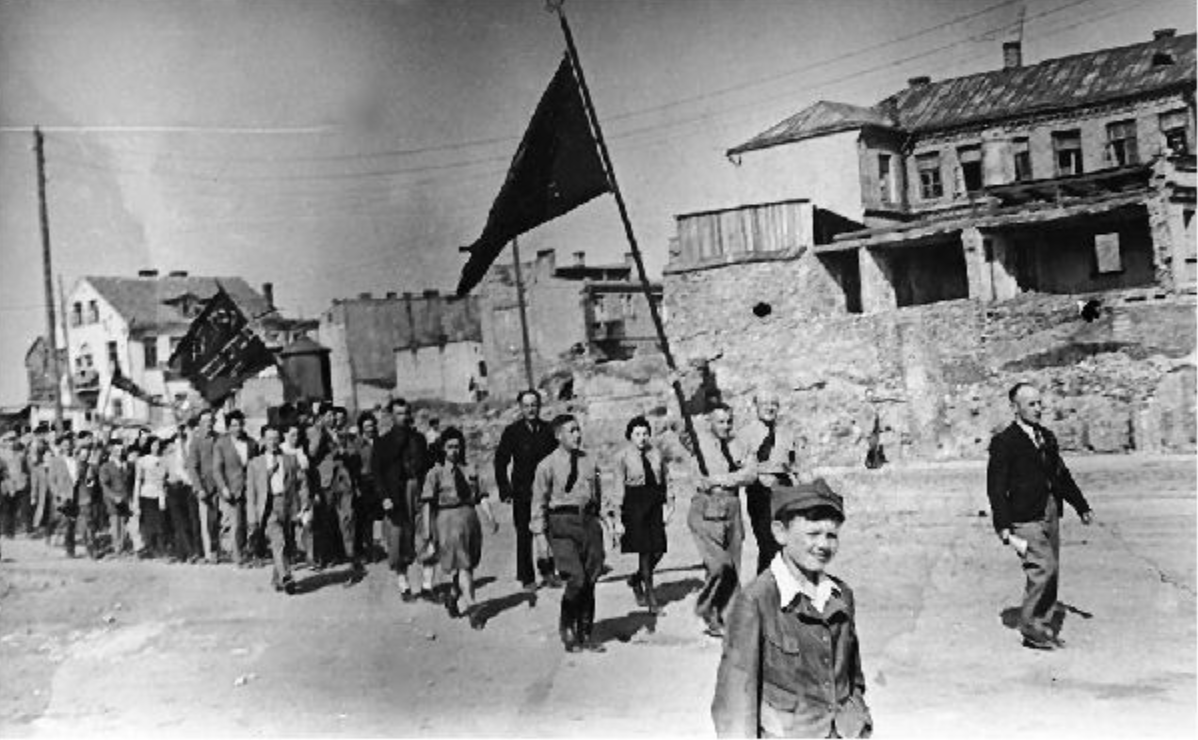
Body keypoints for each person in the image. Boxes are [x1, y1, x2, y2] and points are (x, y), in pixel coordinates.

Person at [711, 480, 873, 738]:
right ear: (780, 533)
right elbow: (734, 704)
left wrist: (858, 717)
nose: (823, 545)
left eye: (831, 535)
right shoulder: (755, 601)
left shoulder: (841, 595)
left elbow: (853, 676)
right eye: (813, 533)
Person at [987, 382, 1094, 650]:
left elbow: (1061, 475)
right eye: (1031, 404)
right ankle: (1030, 626)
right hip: (1023, 516)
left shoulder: (1046, 437)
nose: (1038, 409)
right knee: (1042, 567)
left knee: (1051, 569)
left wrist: (1081, 505)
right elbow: (996, 487)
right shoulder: (1004, 442)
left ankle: (1042, 625)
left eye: (1039, 403)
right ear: (1015, 408)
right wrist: (1002, 525)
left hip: (1050, 511)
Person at [531, 414, 615, 653]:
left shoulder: (590, 461)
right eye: (571, 431)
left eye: (578, 430)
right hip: (561, 524)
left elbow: (600, 495)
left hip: (588, 523)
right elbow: (538, 503)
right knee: (576, 578)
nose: (577, 435)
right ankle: (567, 626)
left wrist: (609, 523)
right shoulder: (546, 466)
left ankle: (586, 632)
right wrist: (540, 538)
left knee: (591, 577)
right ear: (559, 435)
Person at [689, 403, 758, 637]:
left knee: (733, 565)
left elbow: (750, 474)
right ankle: (707, 608)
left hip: (732, 506)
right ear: (709, 422)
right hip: (707, 506)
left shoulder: (739, 443)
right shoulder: (697, 442)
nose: (726, 426)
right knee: (719, 565)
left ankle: (728, 617)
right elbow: (680, 426)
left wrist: (721, 479)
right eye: (720, 421)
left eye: (729, 421)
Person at [420, 426, 497, 629]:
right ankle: (472, 607)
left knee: (468, 563)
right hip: (448, 522)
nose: (454, 450)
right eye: (450, 447)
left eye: (457, 446)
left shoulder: (470, 469)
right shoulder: (435, 473)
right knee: (463, 565)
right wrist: (427, 532)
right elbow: (427, 504)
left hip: (469, 519)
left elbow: (481, 496)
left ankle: (453, 595)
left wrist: (491, 517)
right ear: (443, 448)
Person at [494, 390, 560, 592]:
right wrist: (505, 488)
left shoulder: (549, 430)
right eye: (527, 405)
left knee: (548, 530)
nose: (531, 409)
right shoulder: (512, 432)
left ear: (539, 406)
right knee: (524, 534)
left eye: (534, 405)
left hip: (546, 490)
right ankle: (526, 577)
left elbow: (558, 457)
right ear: (521, 408)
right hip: (522, 491)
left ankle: (549, 572)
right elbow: (501, 461)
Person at [612, 415, 673, 614]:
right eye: (637, 434)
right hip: (634, 505)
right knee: (645, 552)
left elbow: (666, 478)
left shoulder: (656, 453)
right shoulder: (622, 456)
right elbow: (618, 487)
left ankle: (636, 579)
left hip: (654, 503)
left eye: (645, 433)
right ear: (630, 436)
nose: (642, 438)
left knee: (658, 550)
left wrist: (669, 504)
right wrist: (618, 517)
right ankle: (651, 599)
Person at [371, 398, 431, 601]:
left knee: (426, 534)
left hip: (419, 490)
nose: (403, 417)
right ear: (391, 416)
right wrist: (384, 497)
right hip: (396, 494)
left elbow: (427, 467)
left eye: (406, 413)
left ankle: (427, 586)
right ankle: (404, 586)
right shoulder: (383, 442)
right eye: (399, 414)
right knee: (397, 539)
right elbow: (377, 473)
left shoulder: (419, 439)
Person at [737, 391, 800, 575]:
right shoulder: (744, 434)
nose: (770, 408)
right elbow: (738, 465)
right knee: (767, 542)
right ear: (756, 406)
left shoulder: (787, 433)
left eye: (774, 404)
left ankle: (781, 585)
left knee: (783, 541)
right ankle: (765, 584)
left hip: (784, 489)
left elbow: (797, 465)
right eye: (765, 403)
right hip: (759, 491)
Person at [246, 425, 310, 594]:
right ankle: (286, 577)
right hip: (268, 506)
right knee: (278, 540)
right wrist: (252, 517)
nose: (273, 442)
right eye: (269, 439)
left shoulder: (290, 459)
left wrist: (304, 502)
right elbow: (251, 493)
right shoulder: (255, 463)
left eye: (276, 438)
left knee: (287, 542)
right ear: (263, 440)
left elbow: (302, 482)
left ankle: (277, 579)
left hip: (288, 504)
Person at [213, 410, 255, 566]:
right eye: (234, 425)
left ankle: (250, 552)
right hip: (232, 489)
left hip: (249, 488)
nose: (238, 428)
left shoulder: (251, 443)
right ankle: (238, 556)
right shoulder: (221, 444)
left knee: (250, 522)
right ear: (228, 427)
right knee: (236, 524)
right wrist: (223, 488)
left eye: (240, 425)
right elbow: (217, 469)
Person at [187, 411, 221, 564]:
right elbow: (192, 467)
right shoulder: (196, 442)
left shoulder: (220, 438)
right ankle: (210, 552)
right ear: (200, 424)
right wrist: (199, 488)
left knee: (220, 520)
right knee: (207, 521)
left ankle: (222, 549)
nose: (209, 424)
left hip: (222, 485)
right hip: (206, 487)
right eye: (206, 421)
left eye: (211, 421)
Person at [347, 412, 379, 562]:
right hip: (363, 482)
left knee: (374, 518)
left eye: (371, 425)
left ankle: (373, 548)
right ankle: (364, 550)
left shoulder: (379, 442)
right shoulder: (357, 443)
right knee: (363, 518)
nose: (370, 429)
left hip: (377, 482)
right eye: (366, 426)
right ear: (361, 428)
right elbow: (353, 466)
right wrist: (356, 486)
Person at [164, 428, 200, 563]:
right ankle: (188, 552)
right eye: (177, 442)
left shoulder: (187, 455)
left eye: (182, 441)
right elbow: (162, 475)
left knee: (188, 522)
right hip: (173, 489)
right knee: (179, 522)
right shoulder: (168, 457)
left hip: (186, 489)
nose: (179, 444)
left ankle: (183, 553)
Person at [134, 436, 169, 558]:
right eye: (154, 445)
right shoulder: (142, 461)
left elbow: (164, 479)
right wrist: (136, 499)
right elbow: (138, 480)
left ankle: (161, 548)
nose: (156, 447)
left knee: (160, 523)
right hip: (146, 493)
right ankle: (149, 547)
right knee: (148, 523)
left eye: (158, 445)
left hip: (159, 494)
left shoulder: (163, 460)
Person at [98, 438, 133, 557]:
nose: (119, 452)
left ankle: (122, 546)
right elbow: (104, 485)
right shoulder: (106, 466)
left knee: (123, 522)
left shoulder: (124, 464)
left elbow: (127, 482)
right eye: (116, 450)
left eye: (121, 450)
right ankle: (116, 547)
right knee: (115, 522)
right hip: (112, 498)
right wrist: (113, 497)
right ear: (111, 450)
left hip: (124, 497)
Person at [0, 431, 30, 538]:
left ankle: (13, 530)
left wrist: (24, 477)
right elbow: (3, 471)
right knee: (7, 508)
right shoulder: (1, 455)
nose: (12, 443)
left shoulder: (19, 454)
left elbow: (24, 467)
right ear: (5, 442)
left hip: (20, 484)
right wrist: (8, 484)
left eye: (13, 440)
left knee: (16, 508)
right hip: (7, 484)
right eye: (9, 440)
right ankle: (6, 531)